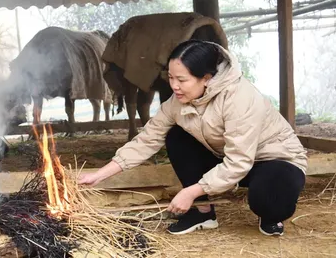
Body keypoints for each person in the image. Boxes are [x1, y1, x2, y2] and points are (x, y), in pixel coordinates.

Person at [78, 40, 308, 236]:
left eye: (182, 79)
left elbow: (240, 161)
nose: (175, 86)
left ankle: (270, 216)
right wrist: (100, 175)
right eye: (170, 78)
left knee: (270, 200)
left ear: (206, 78)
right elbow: (147, 139)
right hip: (229, 158)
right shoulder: (177, 102)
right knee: (176, 135)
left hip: (274, 159)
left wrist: (190, 191)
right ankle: (203, 212)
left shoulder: (241, 98)